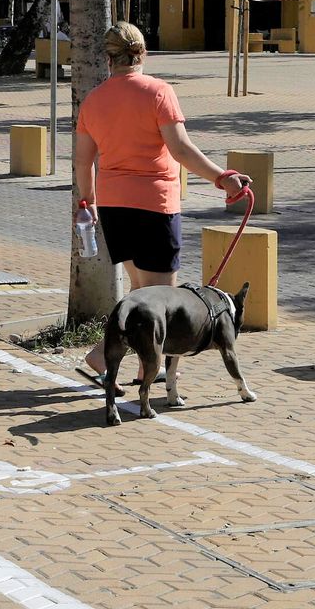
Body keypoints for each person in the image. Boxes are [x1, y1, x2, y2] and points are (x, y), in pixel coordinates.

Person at [74, 21, 250, 381]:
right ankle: (124, 365)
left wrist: (88, 202)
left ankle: (128, 366)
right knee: (164, 303)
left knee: (143, 294)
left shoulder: (94, 100)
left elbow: (82, 160)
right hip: (154, 205)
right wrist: (222, 177)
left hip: (113, 207)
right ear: (143, 53)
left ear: (108, 59)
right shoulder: (159, 92)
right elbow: (180, 148)